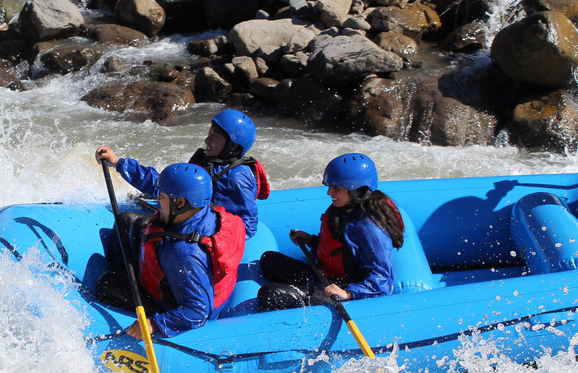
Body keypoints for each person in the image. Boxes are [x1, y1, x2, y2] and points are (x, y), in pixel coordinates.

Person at [102, 163, 246, 339]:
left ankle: (126, 278)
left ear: (179, 203)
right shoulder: (200, 206)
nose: (157, 198)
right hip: (193, 279)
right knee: (129, 221)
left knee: (106, 282)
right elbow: (155, 184)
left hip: (175, 303)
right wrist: (118, 163)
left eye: (161, 196)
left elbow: (198, 311)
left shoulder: (183, 254)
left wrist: (155, 324)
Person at [257, 153, 404, 312]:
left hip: (344, 290)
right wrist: (311, 241)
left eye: (336, 189)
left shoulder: (370, 228)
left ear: (357, 191)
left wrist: (348, 293)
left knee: (271, 295)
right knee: (268, 259)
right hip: (325, 278)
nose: (329, 193)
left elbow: (383, 282)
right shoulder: (344, 210)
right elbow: (341, 251)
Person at [95, 109, 269, 239]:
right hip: (189, 219)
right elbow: (165, 183)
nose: (206, 141)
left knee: (132, 223)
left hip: (197, 235)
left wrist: (199, 237)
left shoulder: (235, 179)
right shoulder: (209, 161)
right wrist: (118, 163)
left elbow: (247, 226)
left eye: (214, 137)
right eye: (209, 135)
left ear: (234, 146)